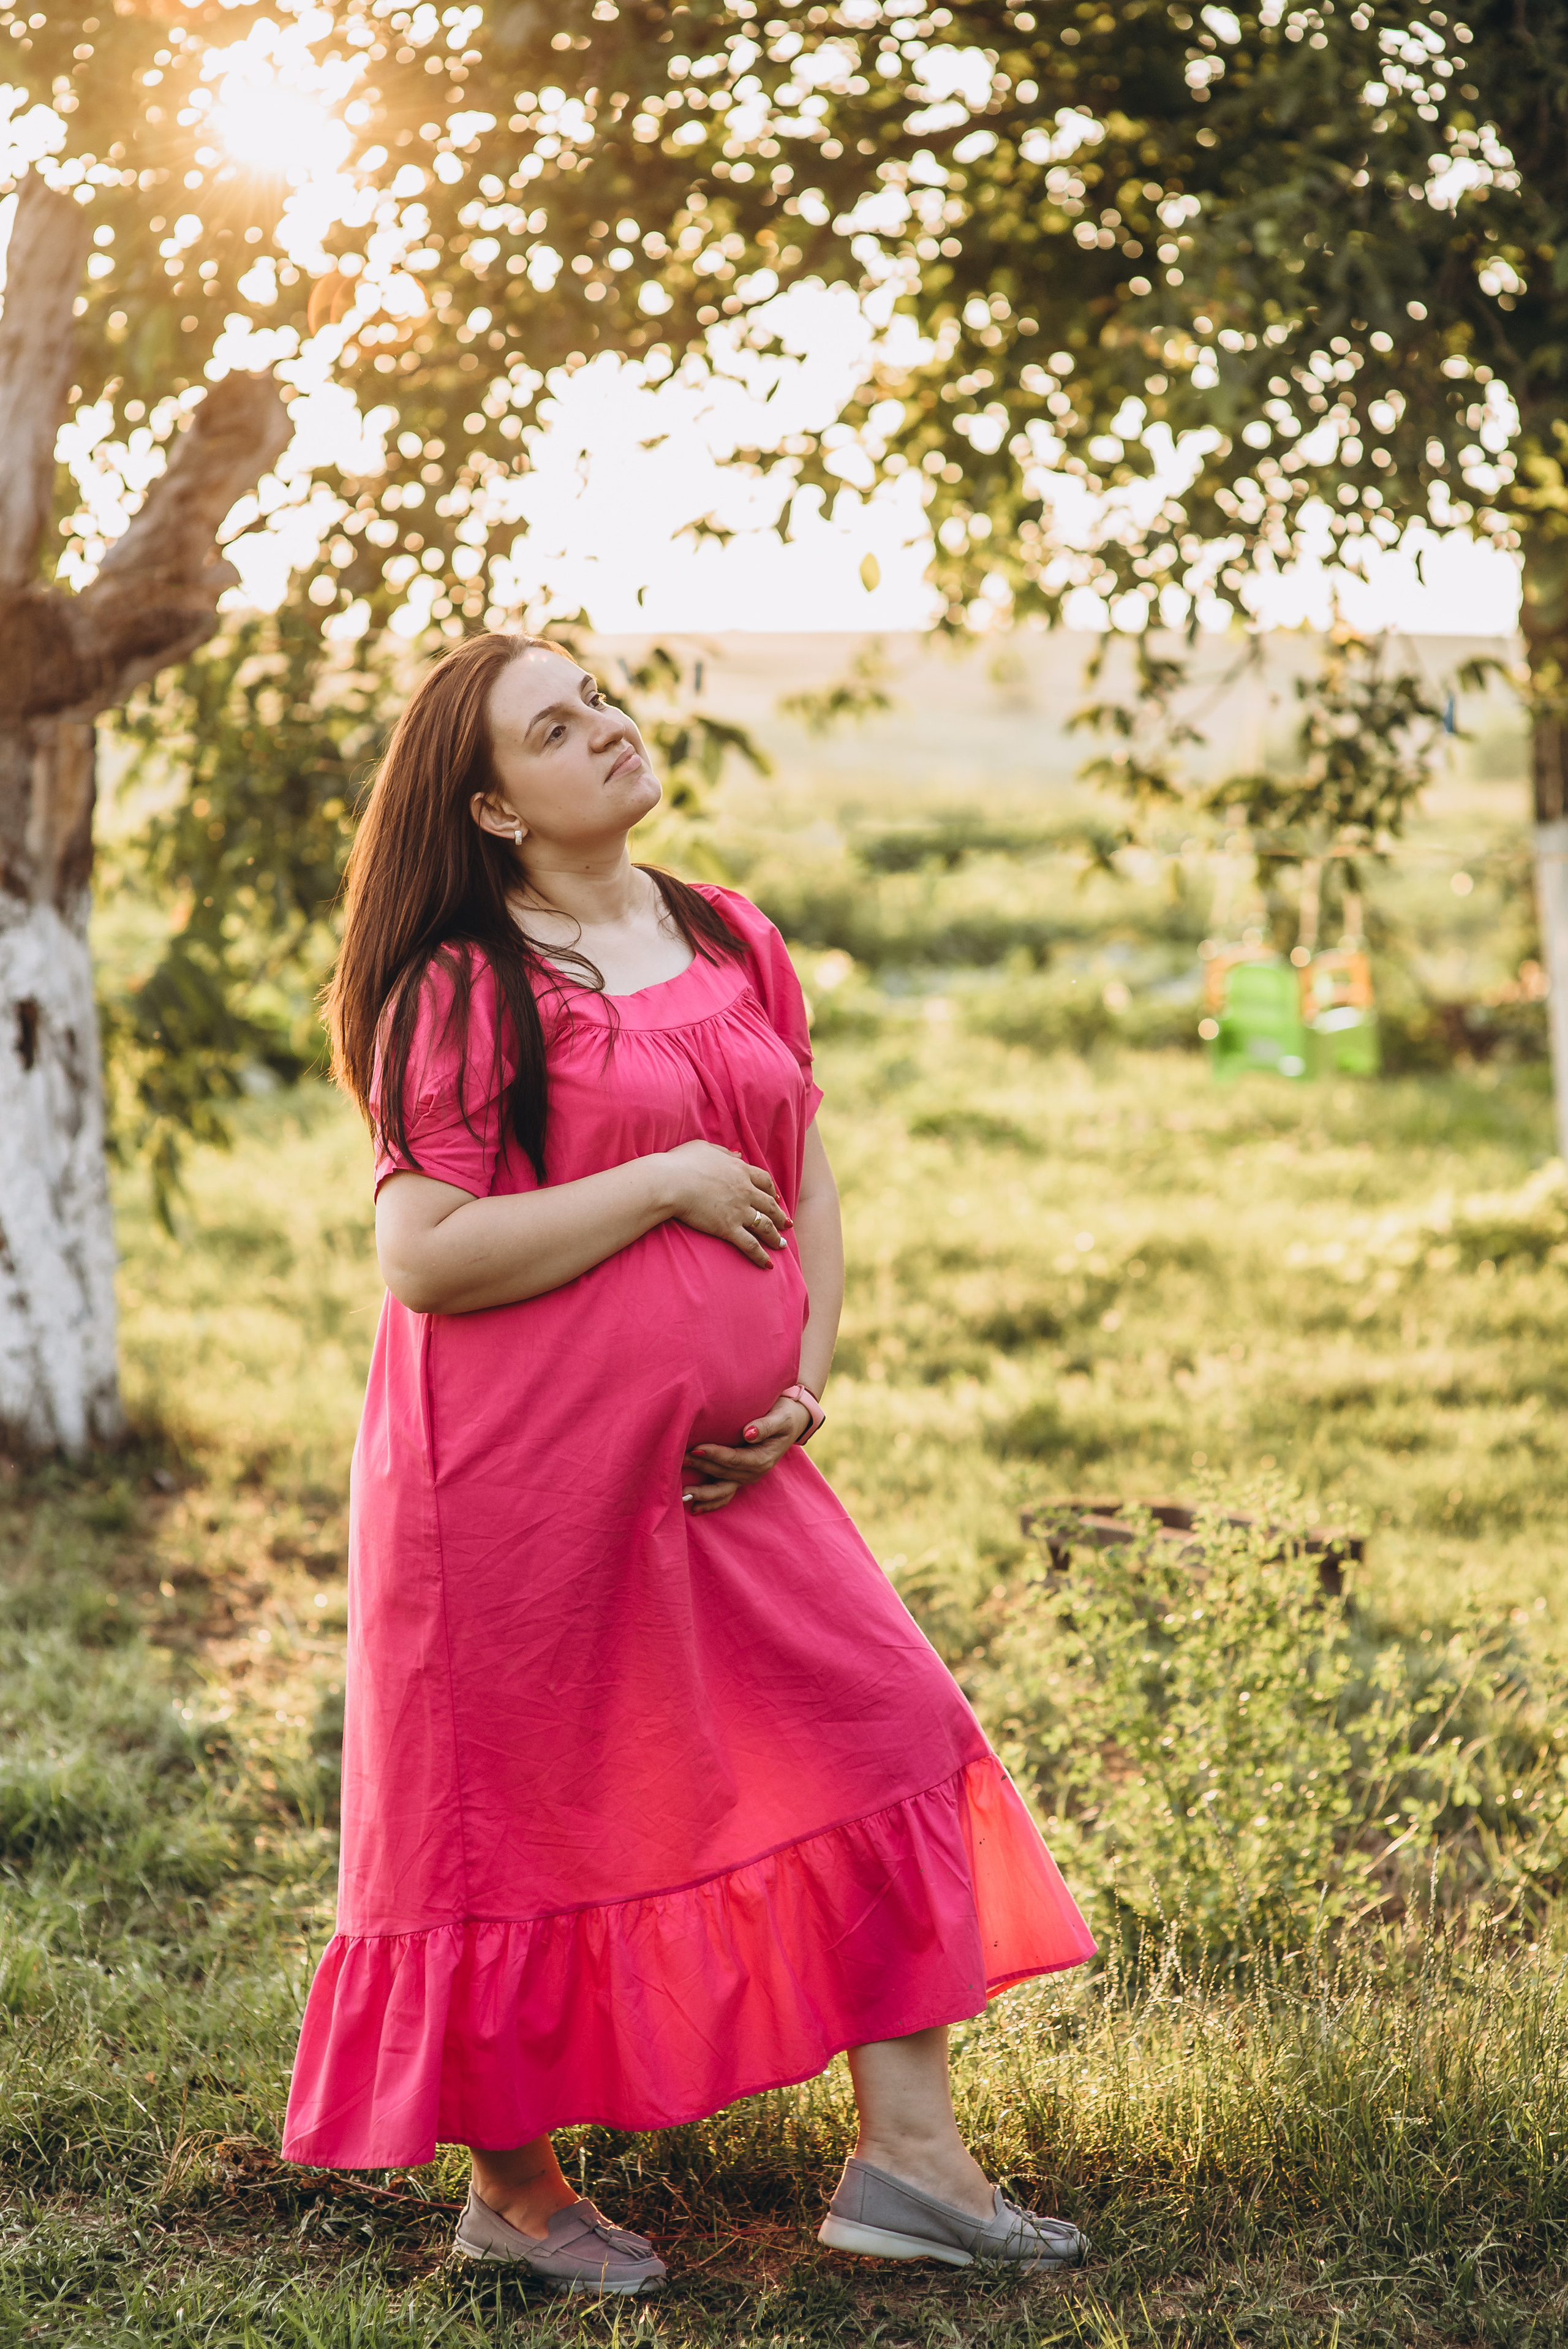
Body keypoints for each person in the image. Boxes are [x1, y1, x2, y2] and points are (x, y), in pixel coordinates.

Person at [283, 630, 1096, 2294]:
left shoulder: (728, 931)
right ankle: (514, 2198)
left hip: (732, 1467)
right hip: (508, 1483)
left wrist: (801, 1375)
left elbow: (804, 1166)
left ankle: (915, 2166)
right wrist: (656, 1187)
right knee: (507, 1816)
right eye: (554, 726)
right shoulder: (462, 982)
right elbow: (427, 1255)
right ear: (494, 804)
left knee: (883, 1716)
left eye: (604, 699)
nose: (606, 729)